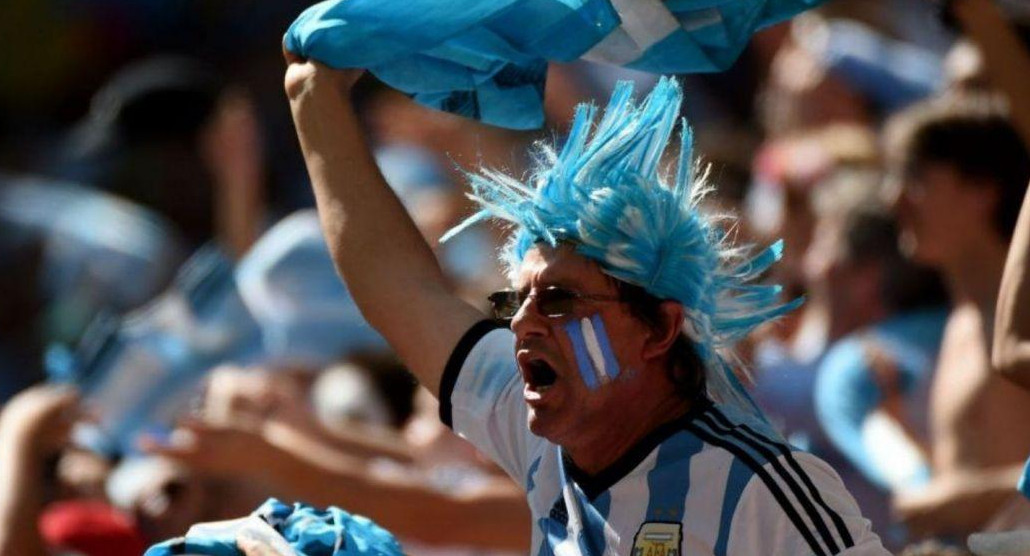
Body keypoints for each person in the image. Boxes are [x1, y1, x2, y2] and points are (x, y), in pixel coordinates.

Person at [283, 44, 888, 555]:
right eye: (516, 300)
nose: (521, 324)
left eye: (559, 301)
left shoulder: (759, 488)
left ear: (659, 329)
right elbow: (397, 285)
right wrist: (316, 100)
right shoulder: (543, 433)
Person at [886, 93, 1030, 540]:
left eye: (915, 177)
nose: (893, 199)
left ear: (982, 189)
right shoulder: (959, 319)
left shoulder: (1023, 325)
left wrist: (958, 501)